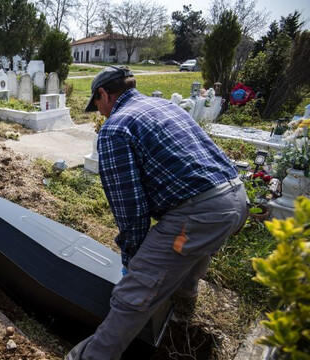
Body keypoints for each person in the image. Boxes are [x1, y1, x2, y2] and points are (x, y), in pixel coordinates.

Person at [66, 66, 248, 359]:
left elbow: (131, 211)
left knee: (132, 297)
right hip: (236, 200)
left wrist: (134, 264)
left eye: (97, 105)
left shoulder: (116, 128)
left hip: (199, 215)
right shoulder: (162, 105)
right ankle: (182, 309)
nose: (100, 113)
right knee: (192, 254)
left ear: (104, 94)